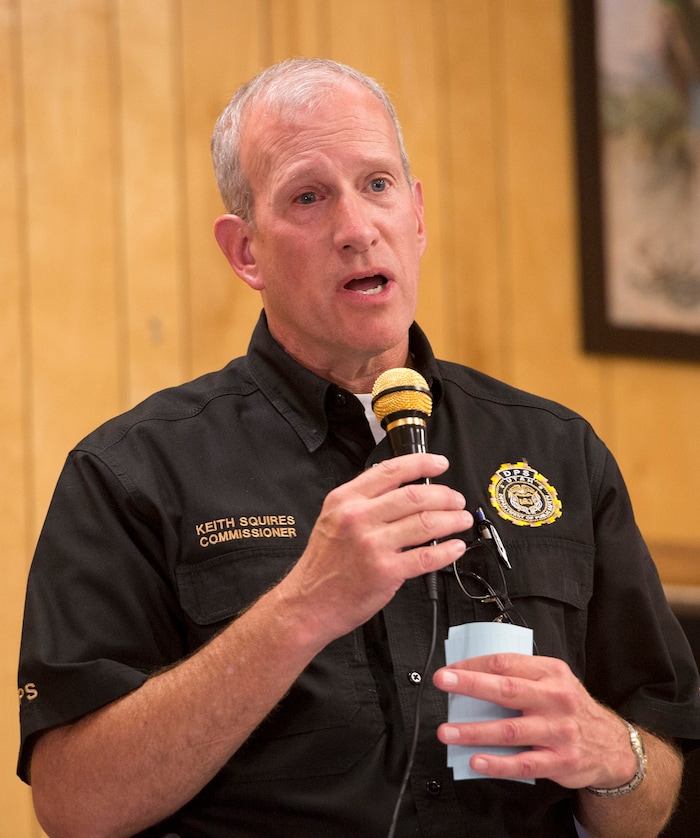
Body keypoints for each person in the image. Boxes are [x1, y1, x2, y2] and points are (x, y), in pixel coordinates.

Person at [17, 58, 700, 838]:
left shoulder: (562, 452)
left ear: (416, 216)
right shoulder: (133, 471)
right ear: (245, 252)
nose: (356, 227)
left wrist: (614, 755)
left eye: (377, 185)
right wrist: (304, 608)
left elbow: (652, 786)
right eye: (309, 197)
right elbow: (74, 806)